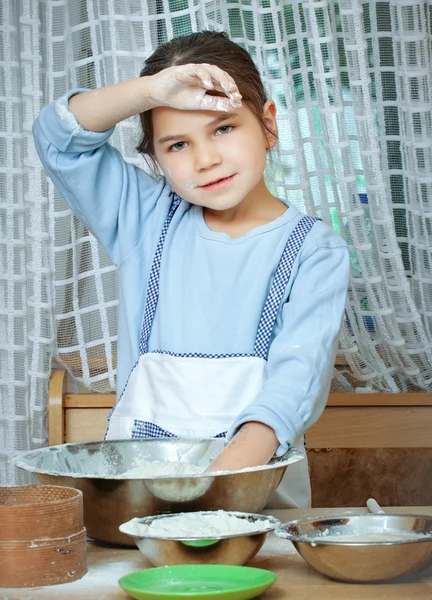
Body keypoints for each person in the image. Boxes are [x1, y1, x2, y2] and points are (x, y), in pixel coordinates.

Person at [33, 31, 350, 508]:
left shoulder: (314, 251)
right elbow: (59, 139)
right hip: (141, 498)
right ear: (157, 157)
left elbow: (296, 380)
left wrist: (214, 491)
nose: (206, 159)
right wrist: (151, 91)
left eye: (223, 128)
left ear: (268, 125)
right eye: (177, 144)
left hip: (256, 499)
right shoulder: (143, 219)